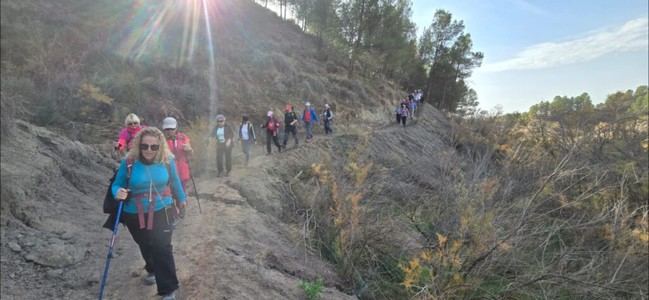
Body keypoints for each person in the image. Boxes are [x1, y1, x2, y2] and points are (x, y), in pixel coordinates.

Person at [112, 127, 186, 300]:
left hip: (163, 209)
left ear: (160, 147)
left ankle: (168, 289)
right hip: (134, 211)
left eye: (154, 147)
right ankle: (152, 268)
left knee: (162, 247)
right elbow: (117, 184)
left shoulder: (167, 160)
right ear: (139, 145)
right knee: (145, 244)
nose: (149, 150)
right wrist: (117, 192)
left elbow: (175, 181)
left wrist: (181, 199)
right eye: (145, 146)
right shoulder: (129, 162)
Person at [162, 117, 193, 192]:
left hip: (182, 170)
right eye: (167, 129)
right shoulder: (161, 140)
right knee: (169, 194)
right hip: (168, 172)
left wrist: (189, 150)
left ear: (176, 128)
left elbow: (191, 153)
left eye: (172, 129)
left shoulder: (183, 138)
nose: (169, 131)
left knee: (182, 193)